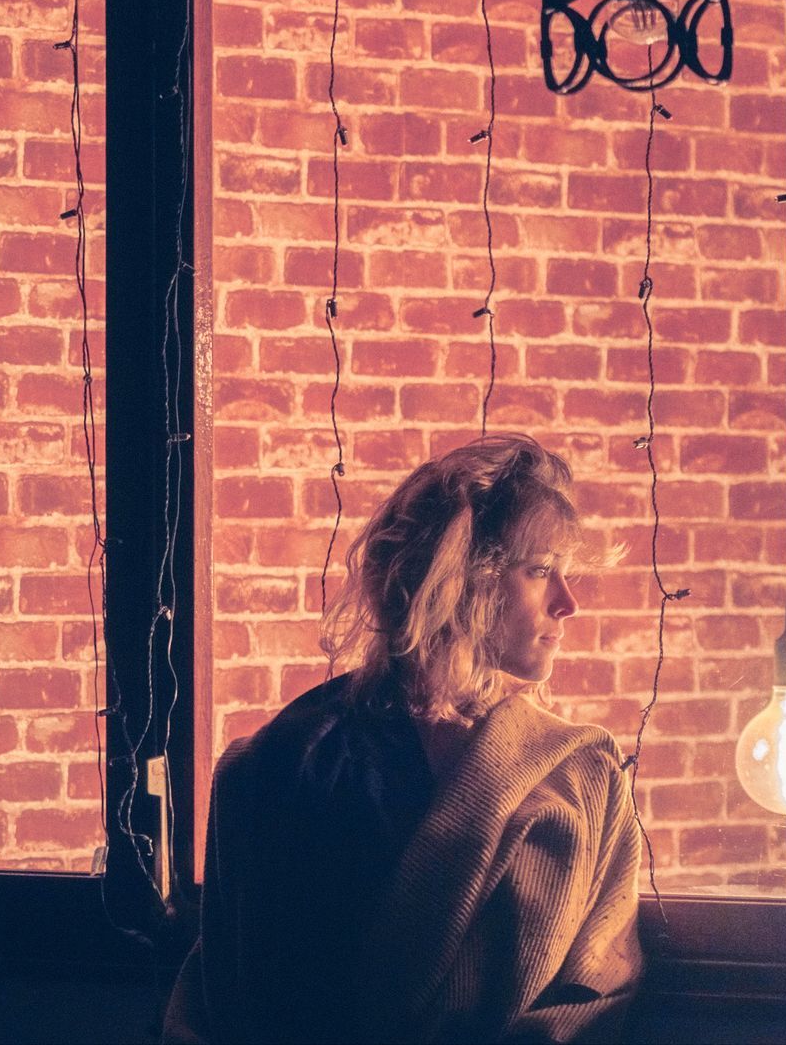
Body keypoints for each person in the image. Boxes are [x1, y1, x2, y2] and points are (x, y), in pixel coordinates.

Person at [163, 433, 644, 1044]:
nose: (568, 603)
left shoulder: (583, 774)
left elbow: (601, 986)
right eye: (541, 571)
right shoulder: (292, 763)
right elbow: (240, 999)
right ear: (464, 578)